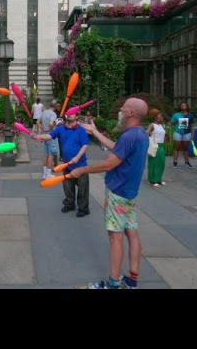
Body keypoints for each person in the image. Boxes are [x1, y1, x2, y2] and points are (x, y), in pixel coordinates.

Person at [70, 97, 149, 289]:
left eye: (124, 108)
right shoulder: (140, 134)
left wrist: (81, 170)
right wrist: (95, 131)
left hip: (118, 193)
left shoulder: (130, 136)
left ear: (131, 113)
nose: (120, 110)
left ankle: (113, 283)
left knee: (115, 237)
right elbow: (117, 148)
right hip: (130, 193)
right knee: (132, 233)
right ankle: (132, 280)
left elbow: (109, 164)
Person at [38, 112, 91, 217]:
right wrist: (37, 136)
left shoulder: (80, 130)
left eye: (73, 113)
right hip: (67, 165)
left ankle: (83, 209)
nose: (70, 115)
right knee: (67, 187)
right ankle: (69, 204)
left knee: (82, 188)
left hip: (80, 165)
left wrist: (77, 158)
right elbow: (49, 135)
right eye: (69, 113)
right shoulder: (61, 129)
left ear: (76, 116)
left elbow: (85, 145)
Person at [170, 102, 195, 168]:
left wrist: (193, 135)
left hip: (187, 133)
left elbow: (192, 126)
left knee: (185, 148)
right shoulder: (176, 115)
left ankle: (187, 162)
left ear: (187, 107)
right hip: (178, 132)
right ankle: (175, 162)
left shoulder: (190, 115)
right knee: (177, 148)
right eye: (182, 105)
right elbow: (172, 123)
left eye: (184, 105)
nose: (183, 106)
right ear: (180, 107)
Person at [146, 112, 168, 187]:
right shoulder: (152, 125)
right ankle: (153, 181)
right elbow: (146, 133)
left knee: (161, 162)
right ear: (156, 118)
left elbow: (164, 134)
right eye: (160, 117)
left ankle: (159, 179)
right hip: (154, 145)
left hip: (161, 146)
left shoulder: (162, 126)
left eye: (162, 117)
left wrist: (167, 138)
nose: (162, 118)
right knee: (154, 163)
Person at [40, 100, 59, 179]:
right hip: (51, 135)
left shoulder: (44, 112)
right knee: (51, 154)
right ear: (55, 106)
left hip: (45, 133)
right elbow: (51, 123)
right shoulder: (53, 114)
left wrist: (43, 129)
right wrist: (52, 131)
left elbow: (38, 121)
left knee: (46, 154)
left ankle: (45, 174)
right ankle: (48, 174)